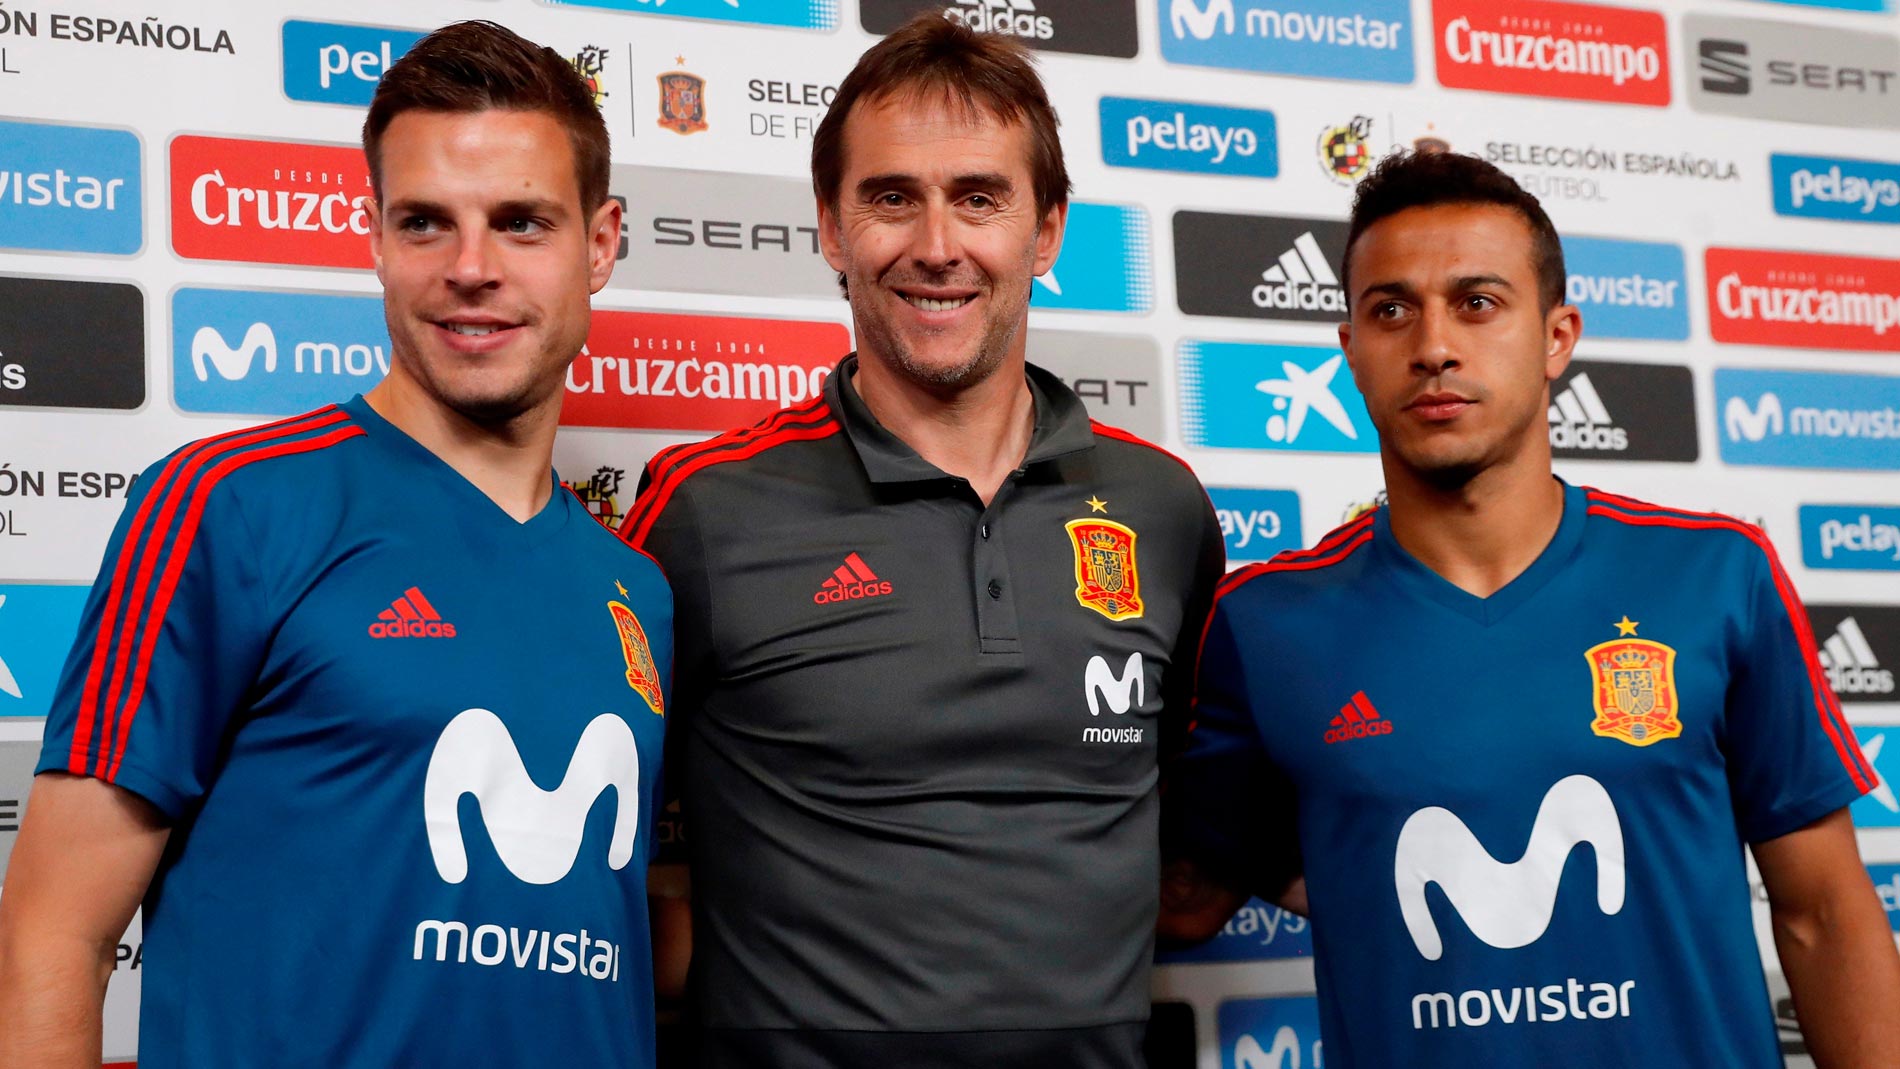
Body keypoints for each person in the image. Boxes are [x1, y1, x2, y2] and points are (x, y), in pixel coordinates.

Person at [0, 21, 673, 1068]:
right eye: (425, 223)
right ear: (374, 238)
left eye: (521, 223)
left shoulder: (639, 589)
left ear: (601, 243)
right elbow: (53, 933)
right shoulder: (225, 506)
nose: (471, 268)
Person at [1159, 150, 1900, 1068]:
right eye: (1391, 310)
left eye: (1477, 302)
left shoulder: (1715, 575)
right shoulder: (1266, 623)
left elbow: (1823, 911)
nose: (1433, 346)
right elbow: (1187, 894)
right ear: (1349, 349)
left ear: (1557, 336)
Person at [618, 14, 1223, 1068]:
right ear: (830, 226)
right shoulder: (704, 508)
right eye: (892, 197)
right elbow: (582, 832)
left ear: (1046, 232)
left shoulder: (1161, 509)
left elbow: (1201, 827)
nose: (937, 245)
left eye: (978, 198)